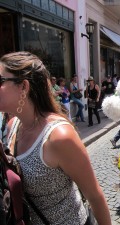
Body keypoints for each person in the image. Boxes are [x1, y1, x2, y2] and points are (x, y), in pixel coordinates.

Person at [0, 51, 111, 225]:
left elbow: (94, 195)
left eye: (1, 81)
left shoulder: (59, 137)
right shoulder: (11, 126)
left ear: (23, 87)